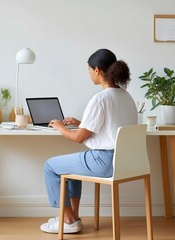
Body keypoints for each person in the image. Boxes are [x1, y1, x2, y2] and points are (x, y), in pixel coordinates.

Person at [40, 49, 138, 234]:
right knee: (70, 168)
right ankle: (74, 218)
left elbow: (78, 138)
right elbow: (111, 126)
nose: (88, 73)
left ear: (97, 70)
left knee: (50, 167)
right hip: (124, 161)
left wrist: (60, 127)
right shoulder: (126, 96)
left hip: (103, 162)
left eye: (88, 70)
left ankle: (67, 220)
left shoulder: (100, 98)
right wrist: (81, 123)